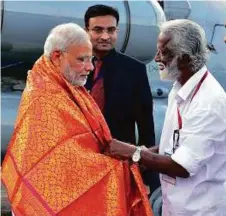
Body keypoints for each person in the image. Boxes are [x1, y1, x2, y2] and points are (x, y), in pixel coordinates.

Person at [1, 23, 153, 216]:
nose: (89, 67)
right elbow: (61, 163)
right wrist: (122, 163)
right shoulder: (44, 96)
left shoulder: (66, 85)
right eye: (82, 60)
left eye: (90, 60)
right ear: (57, 57)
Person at [109, 19, 226, 215]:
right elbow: (175, 145)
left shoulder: (209, 103)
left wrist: (135, 153)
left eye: (164, 52)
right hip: (176, 206)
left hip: (200, 210)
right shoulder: (180, 87)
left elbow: (182, 166)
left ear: (185, 58)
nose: (156, 58)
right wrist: (144, 155)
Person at [84, 4, 158, 194]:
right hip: (79, 161)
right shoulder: (74, 67)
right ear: (87, 31)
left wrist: (147, 176)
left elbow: (145, 126)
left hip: (117, 164)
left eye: (111, 30)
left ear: (117, 31)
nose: (105, 37)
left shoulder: (134, 70)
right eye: (98, 30)